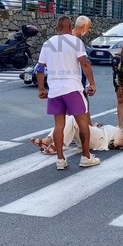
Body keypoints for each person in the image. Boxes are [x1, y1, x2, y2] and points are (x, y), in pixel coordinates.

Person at [36, 15, 100, 170]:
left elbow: (39, 68)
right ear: (70, 25)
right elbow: (84, 63)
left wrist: (41, 89)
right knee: (82, 122)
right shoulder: (76, 42)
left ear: (57, 27)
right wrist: (92, 83)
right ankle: (86, 156)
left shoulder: (47, 44)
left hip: (55, 90)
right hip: (72, 88)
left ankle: (60, 160)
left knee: (59, 125)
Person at [30, 117, 123, 154]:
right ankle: (48, 140)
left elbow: (118, 142)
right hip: (97, 135)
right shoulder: (119, 130)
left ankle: (55, 145)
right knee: (65, 118)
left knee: (72, 118)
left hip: (100, 139)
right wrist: (97, 127)